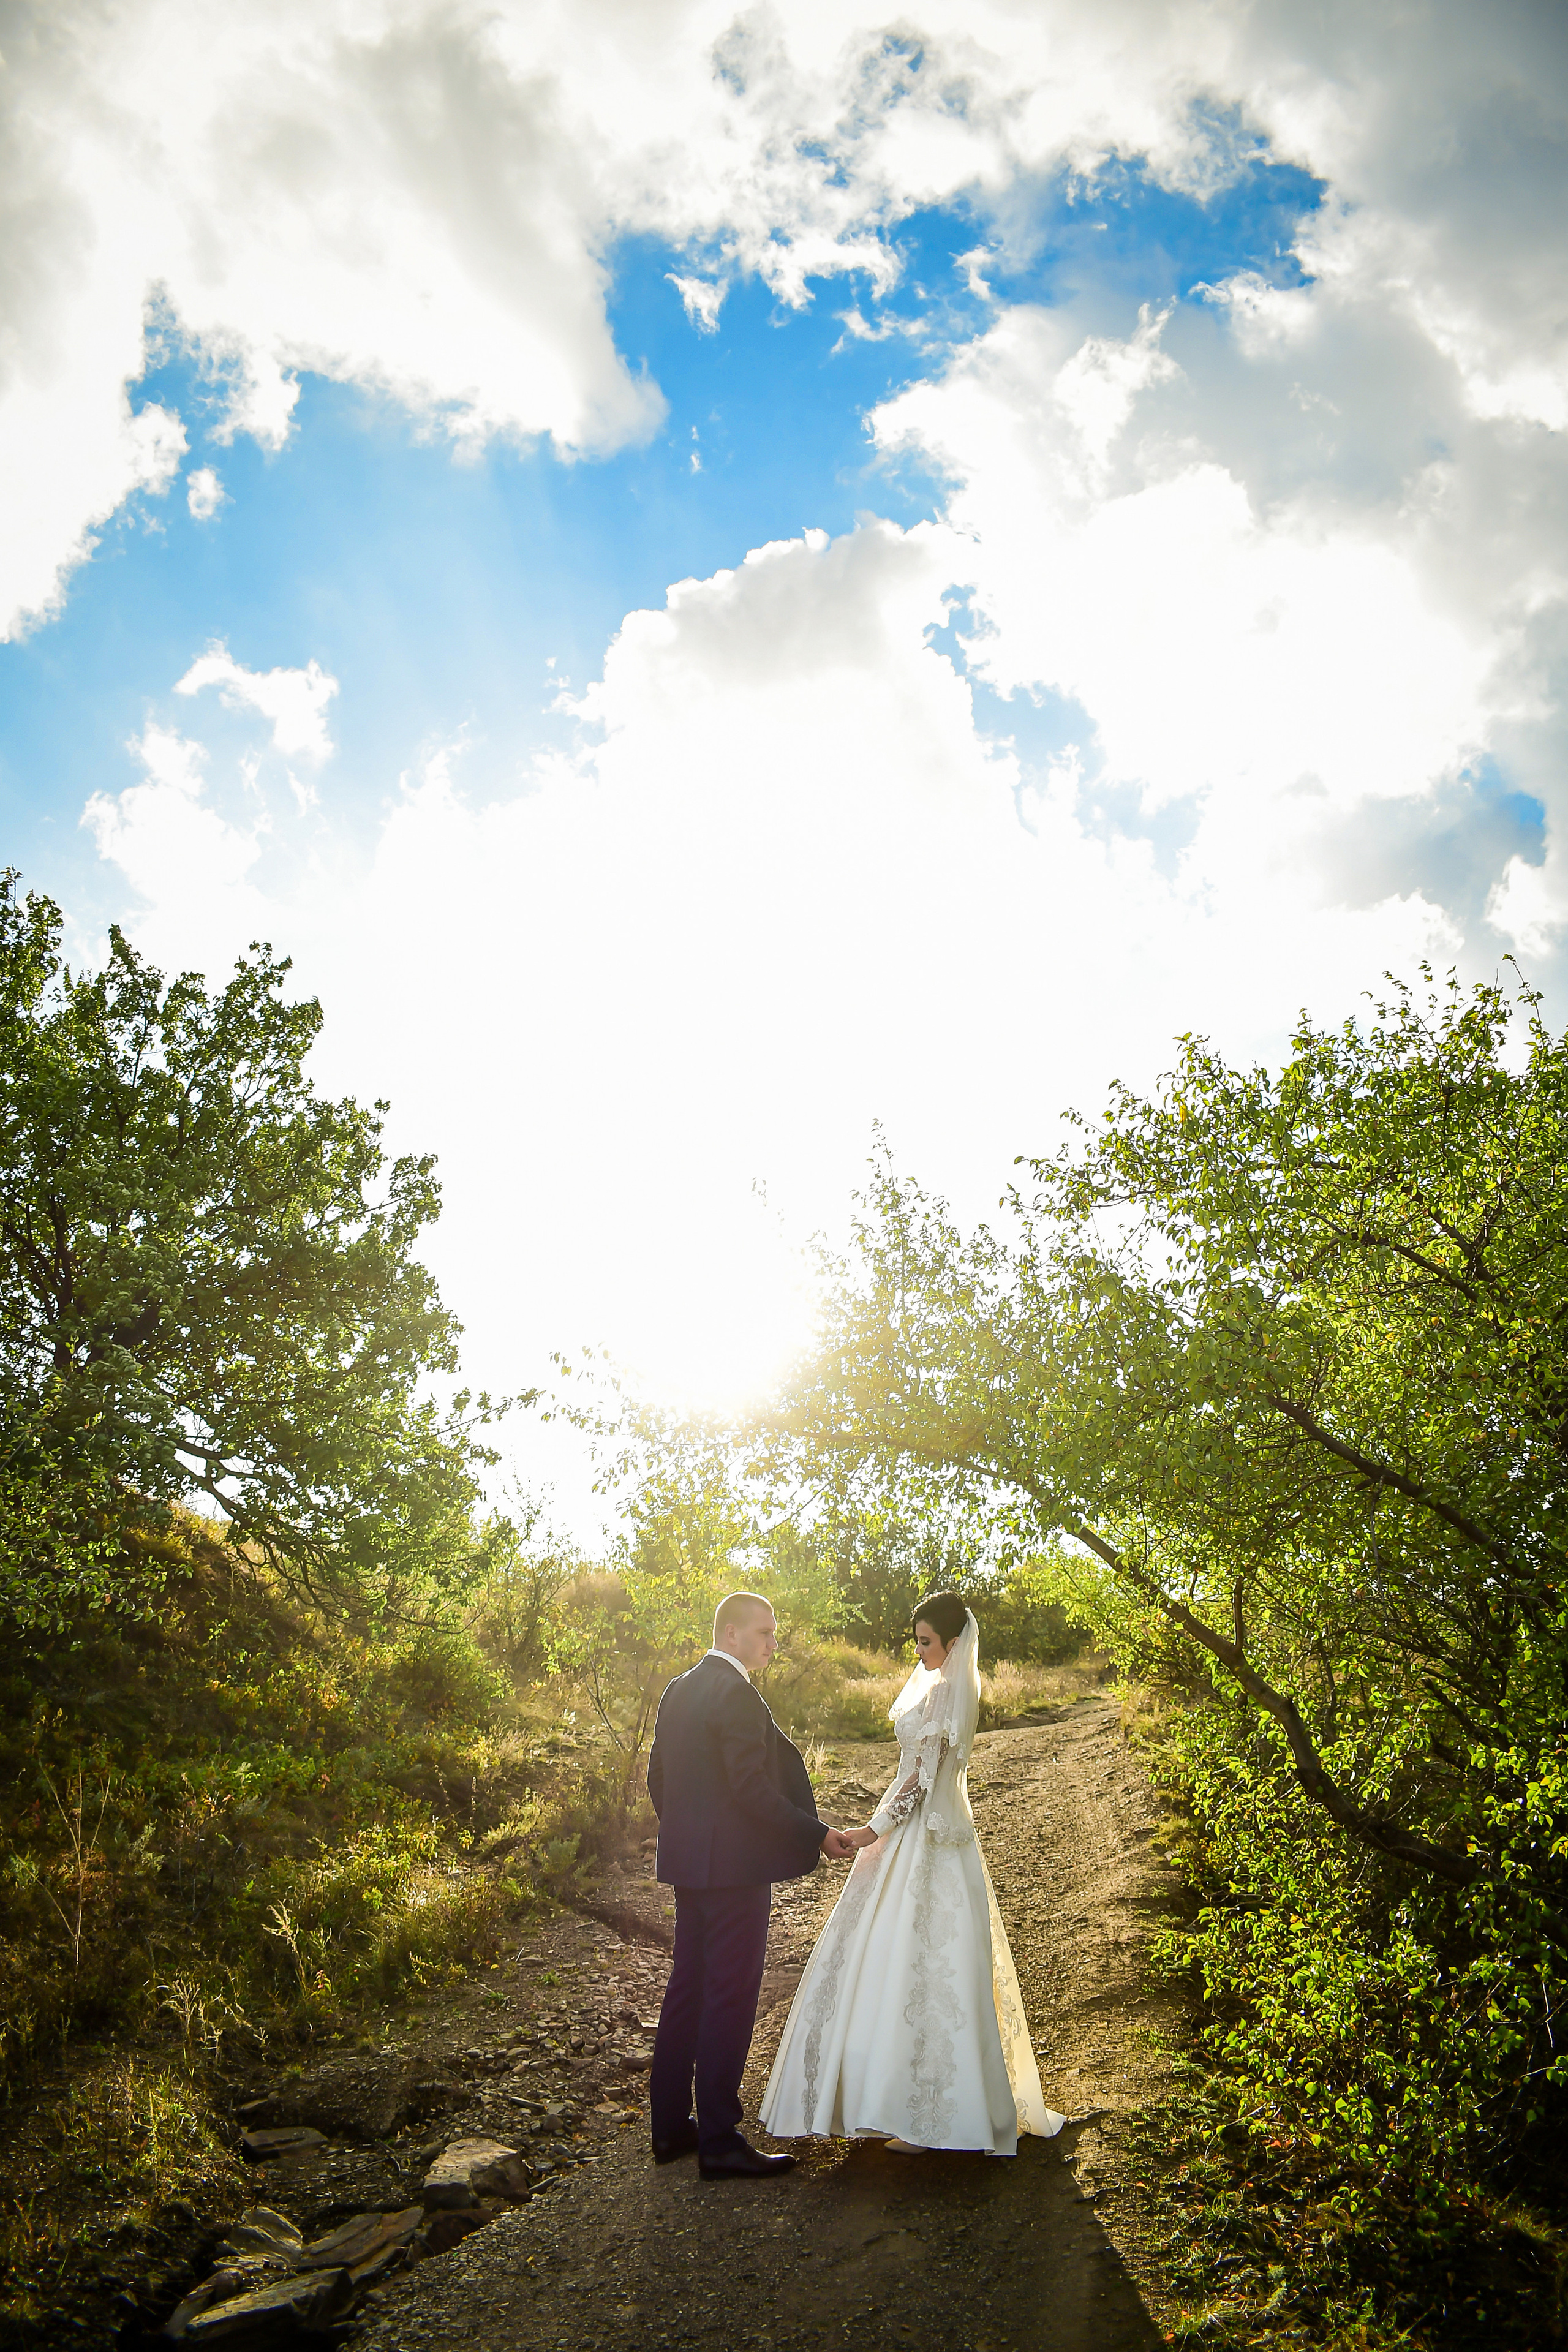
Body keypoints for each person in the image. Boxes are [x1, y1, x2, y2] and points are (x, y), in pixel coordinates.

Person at [760, 1591, 1065, 2155]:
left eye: (927, 1641)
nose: (920, 1650)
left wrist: (871, 1831)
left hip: (925, 1838)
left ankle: (922, 2115)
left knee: (919, 1963)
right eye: (918, 1640)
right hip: (939, 1839)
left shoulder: (947, 1691)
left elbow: (920, 1783)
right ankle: (912, 2107)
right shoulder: (950, 1688)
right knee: (919, 1964)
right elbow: (918, 1775)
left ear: (953, 1643)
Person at [646, 1591, 856, 2178]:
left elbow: (658, 1777)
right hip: (734, 1870)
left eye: (773, 1633)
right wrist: (816, 1833)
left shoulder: (678, 1689)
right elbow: (751, 1788)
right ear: (730, 1635)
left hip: (691, 1865)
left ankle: (669, 2131)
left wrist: (690, 1835)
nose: (772, 1643)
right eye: (763, 1632)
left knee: (687, 1989)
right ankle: (717, 2139)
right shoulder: (735, 1693)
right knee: (731, 1996)